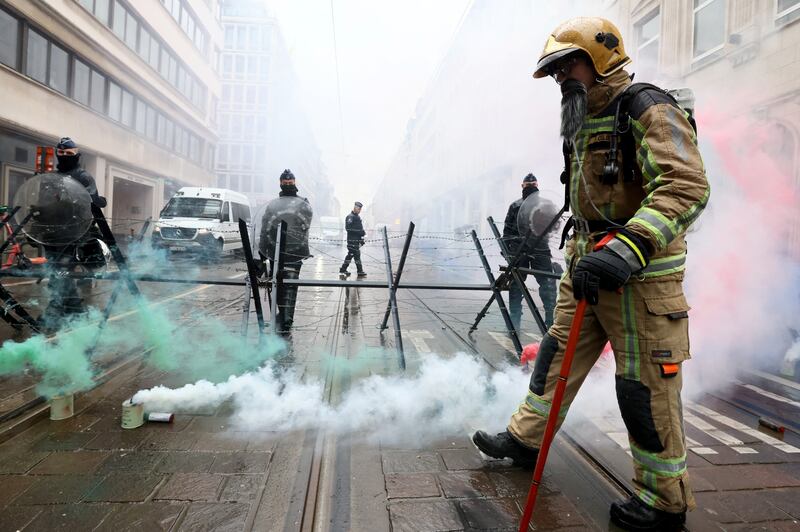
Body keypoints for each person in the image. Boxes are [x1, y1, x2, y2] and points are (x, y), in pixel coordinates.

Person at [472, 17, 709, 531]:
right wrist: (587, 251)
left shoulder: (648, 106)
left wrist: (627, 247)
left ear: (601, 59)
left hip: (640, 280)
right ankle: (525, 439)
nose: (561, 79)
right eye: (555, 71)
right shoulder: (582, 117)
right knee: (554, 358)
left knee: (644, 390)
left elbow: (686, 186)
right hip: (586, 267)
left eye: (567, 67)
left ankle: (664, 501)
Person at [40, 137, 108, 325]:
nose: (64, 156)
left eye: (68, 153)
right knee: (56, 270)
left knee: (62, 270)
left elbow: (90, 200)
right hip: (52, 233)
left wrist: (93, 201)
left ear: (77, 155)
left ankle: (59, 309)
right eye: (60, 153)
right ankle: (75, 310)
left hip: (74, 232)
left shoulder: (83, 176)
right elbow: (43, 201)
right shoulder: (50, 177)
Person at [259, 169, 313, 335]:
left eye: (290, 182)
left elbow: (304, 225)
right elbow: (265, 228)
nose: (288, 184)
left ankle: (286, 321)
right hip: (276, 253)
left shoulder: (303, 203)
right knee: (278, 287)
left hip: (294, 253)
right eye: (285, 182)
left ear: (294, 182)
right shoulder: (273, 205)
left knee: (289, 288)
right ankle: (283, 317)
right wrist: (262, 254)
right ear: (281, 183)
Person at [503, 173, 557, 330]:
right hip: (535, 249)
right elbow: (554, 226)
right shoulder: (546, 204)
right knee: (544, 286)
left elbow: (507, 233)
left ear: (523, 186)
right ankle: (550, 325)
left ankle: (515, 326)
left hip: (526, 250)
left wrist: (509, 252)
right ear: (537, 186)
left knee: (521, 286)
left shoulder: (516, 205)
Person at [339, 202, 366, 278]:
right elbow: (348, 228)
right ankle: (356, 271)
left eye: (360, 209)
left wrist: (362, 236)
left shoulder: (357, 217)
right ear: (354, 208)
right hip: (352, 241)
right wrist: (359, 232)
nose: (359, 210)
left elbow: (359, 228)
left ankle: (344, 269)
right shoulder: (350, 217)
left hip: (356, 240)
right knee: (354, 255)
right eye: (358, 208)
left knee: (353, 255)